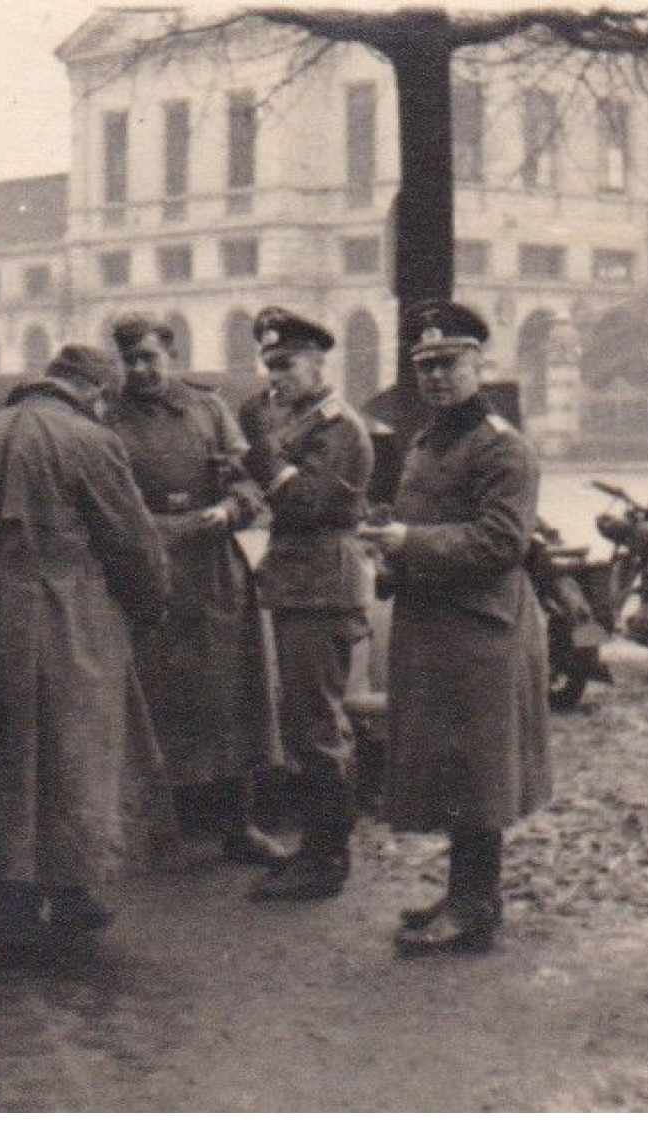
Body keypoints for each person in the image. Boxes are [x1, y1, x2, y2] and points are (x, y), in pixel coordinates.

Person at [0, 344, 172, 958]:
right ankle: (70, 887)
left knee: (1, 751)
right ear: (96, 392)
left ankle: (10, 902)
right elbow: (131, 540)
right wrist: (148, 604)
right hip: (68, 609)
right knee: (73, 750)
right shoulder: (90, 440)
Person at [358, 299, 551, 958]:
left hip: (480, 633)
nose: (436, 376)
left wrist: (408, 539)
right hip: (438, 628)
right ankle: (462, 894)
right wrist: (390, 545)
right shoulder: (430, 439)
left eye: (448, 362)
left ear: (478, 362)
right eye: (424, 365)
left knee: (476, 772)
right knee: (450, 768)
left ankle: (474, 905)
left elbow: (501, 542)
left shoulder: (502, 447)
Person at [104, 315, 282, 866]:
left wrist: (232, 508)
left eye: (150, 358)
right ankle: (158, 832)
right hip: (144, 574)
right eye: (129, 359)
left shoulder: (208, 409)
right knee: (150, 702)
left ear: (171, 355)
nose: (139, 370)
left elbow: (246, 477)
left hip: (212, 575)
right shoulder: (106, 414)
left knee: (230, 696)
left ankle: (238, 825)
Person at [237, 307, 374, 902]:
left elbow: (307, 504)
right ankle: (317, 848)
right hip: (301, 580)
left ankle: (326, 859)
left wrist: (260, 453)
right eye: (269, 365)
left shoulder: (337, 426)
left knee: (318, 724)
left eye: (286, 364)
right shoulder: (300, 421)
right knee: (303, 719)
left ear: (320, 363)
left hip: (322, 582)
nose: (275, 377)